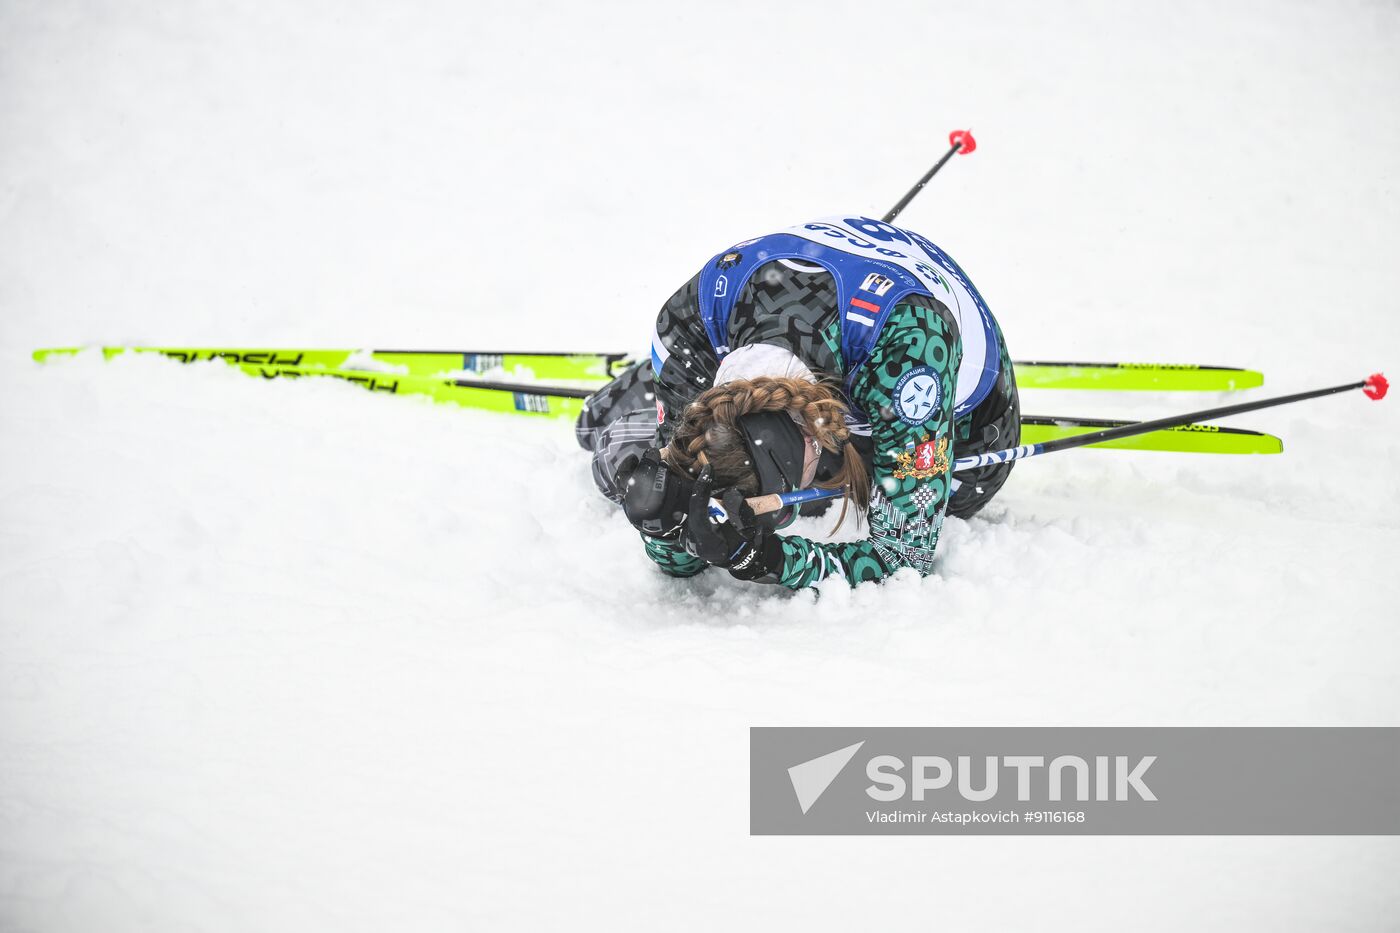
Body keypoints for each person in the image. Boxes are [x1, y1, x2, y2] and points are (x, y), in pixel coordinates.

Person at [576, 215, 1020, 589]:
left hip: (954, 391)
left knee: (940, 497)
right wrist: (662, 524)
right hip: (778, 331)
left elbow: (904, 559)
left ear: (811, 438)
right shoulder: (686, 323)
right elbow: (685, 544)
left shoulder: (907, 352)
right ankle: (660, 385)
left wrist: (774, 558)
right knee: (685, 467)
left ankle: (655, 389)